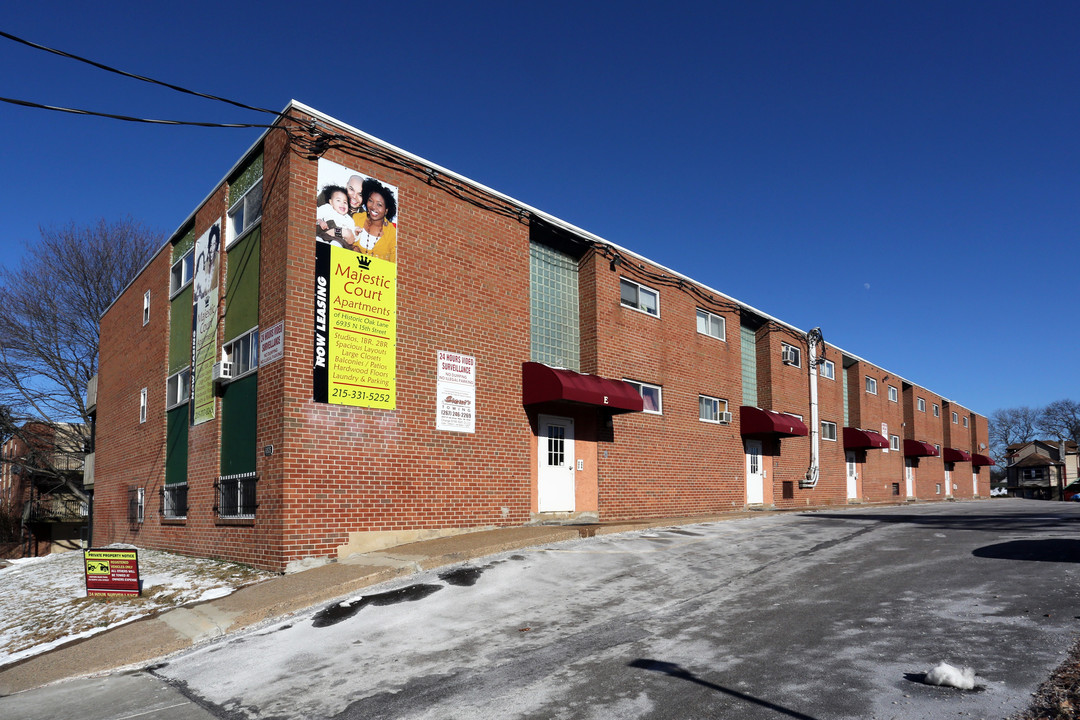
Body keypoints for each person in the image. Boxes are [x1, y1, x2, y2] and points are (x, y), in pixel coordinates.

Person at [351, 178, 397, 262]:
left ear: (386, 210)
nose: (373, 207)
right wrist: (353, 247)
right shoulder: (356, 218)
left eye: (379, 205)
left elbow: (394, 267)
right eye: (370, 201)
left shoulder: (392, 234)